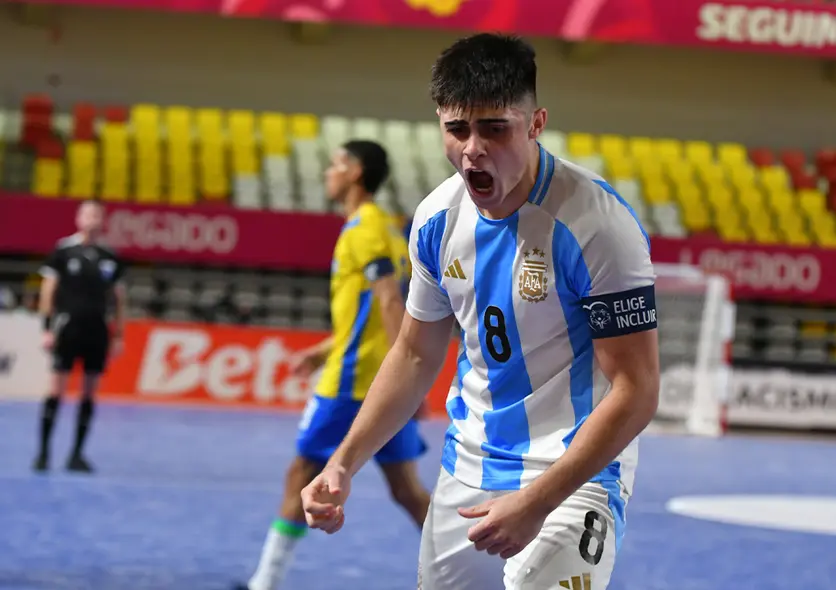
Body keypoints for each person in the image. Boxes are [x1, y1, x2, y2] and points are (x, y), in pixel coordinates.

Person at [301, 34, 661, 590]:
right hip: (467, 468)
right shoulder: (436, 220)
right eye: (457, 129)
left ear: (536, 124)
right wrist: (343, 462)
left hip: (571, 476)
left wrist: (537, 501)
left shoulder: (597, 225)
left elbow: (636, 389)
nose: (473, 149)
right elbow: (414, 354)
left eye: (495, 128)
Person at [235, 140, 431, 590]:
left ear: (356, 172)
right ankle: (473, 574)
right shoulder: (385, 228)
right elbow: (370, 314)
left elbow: (389, 303)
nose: (328, 171)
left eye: (337, 164)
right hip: (378, 379)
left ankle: (264, 584)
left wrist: (410, 375)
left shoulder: (365, 230)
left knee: (300, 475)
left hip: (351, 383)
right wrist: (324, 351)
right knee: (406, 491)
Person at [35, 199, 126, 473]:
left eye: (97, 215)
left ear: (103, 220)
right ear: (78, 218)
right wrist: (47, 327)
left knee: (89, 391)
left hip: (97, 330)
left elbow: (119, 298)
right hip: (68, 327)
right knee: (56, 389)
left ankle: (76, 455)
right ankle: (43, 453)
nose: (92, 219)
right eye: (87, 214)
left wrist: (118, 335)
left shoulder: (110, 256)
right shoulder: (64, 250)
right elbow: (48, 290)